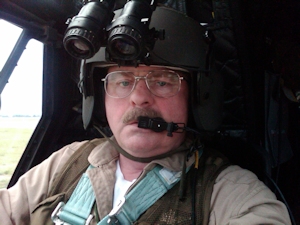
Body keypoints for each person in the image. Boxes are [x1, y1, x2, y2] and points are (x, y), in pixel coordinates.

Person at [0, 3, 292, 225]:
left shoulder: (230, 193)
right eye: (123, 81)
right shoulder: (67, 162)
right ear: (96, 95)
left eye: (163, 81)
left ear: (198, 97)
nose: (139, 98)